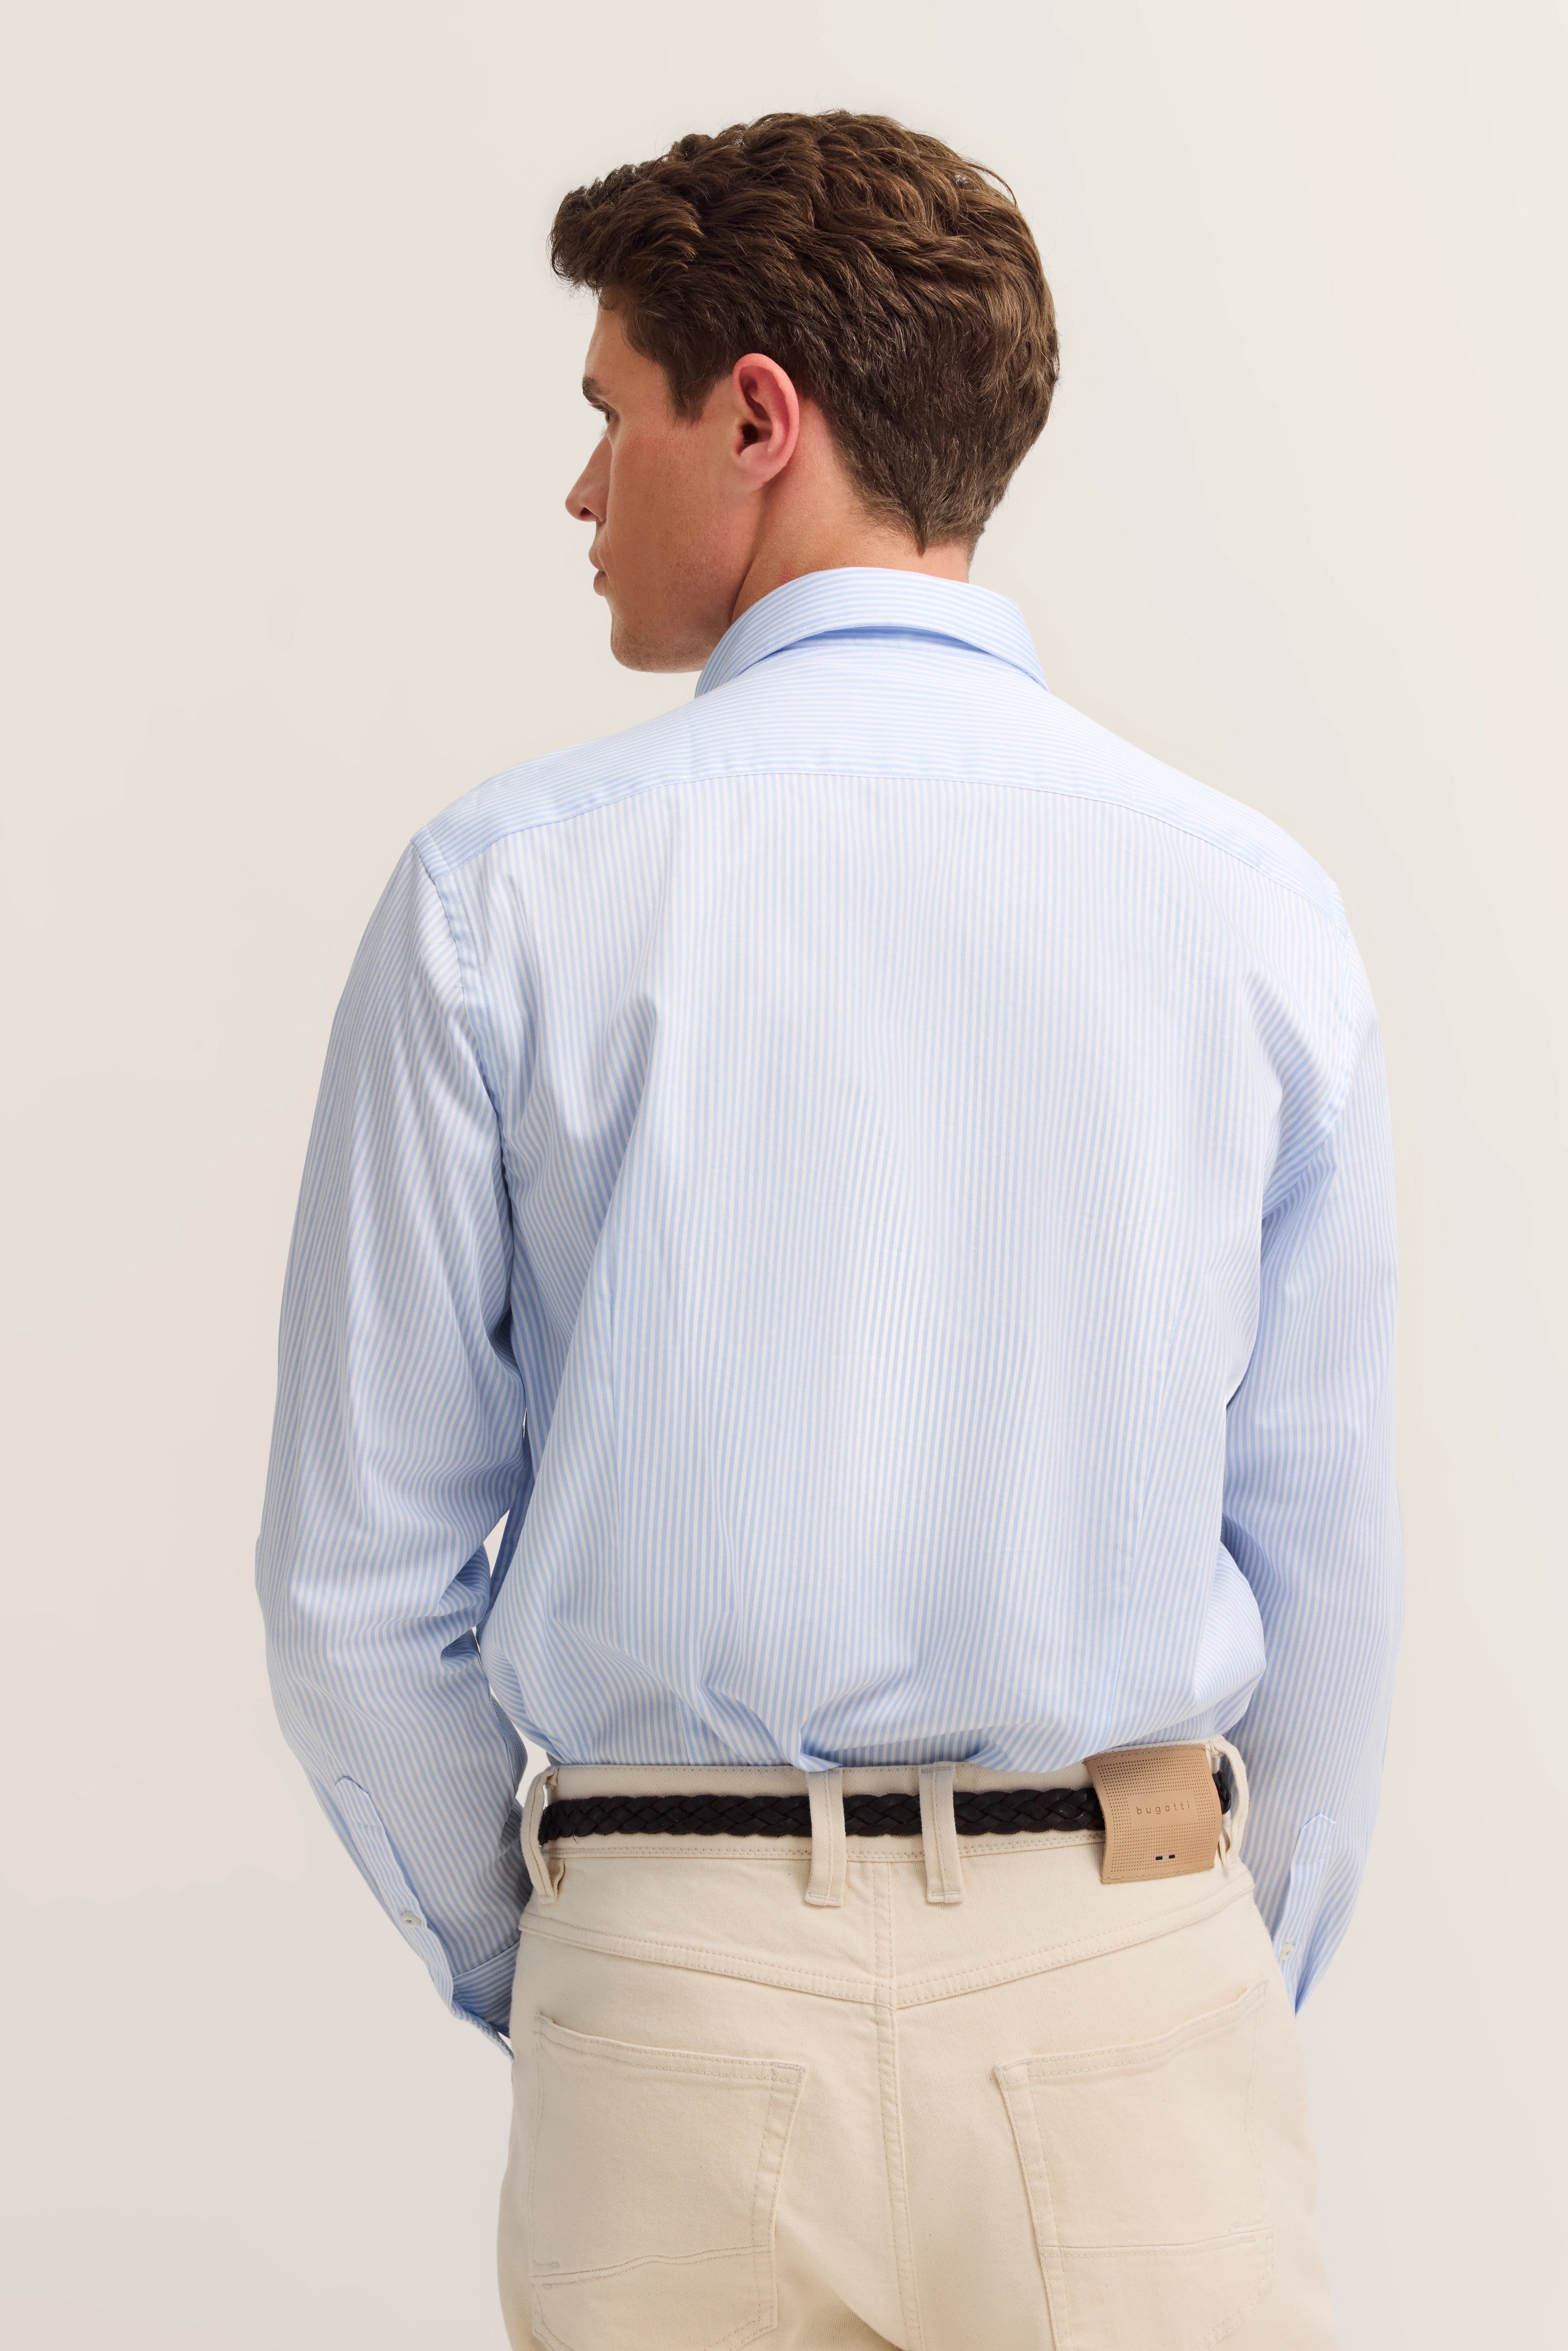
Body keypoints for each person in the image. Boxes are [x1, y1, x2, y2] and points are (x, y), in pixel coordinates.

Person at [257, 110, 1400, 2350]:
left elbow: (354, 1590)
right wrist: (1161, 1963)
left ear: (757, 418)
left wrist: (591, 1946)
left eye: (611, 414)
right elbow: (1327, 1577)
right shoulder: (1255, 912)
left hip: (671, 1993)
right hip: (1132, 1989)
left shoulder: (505, 899)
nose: (584, 490)